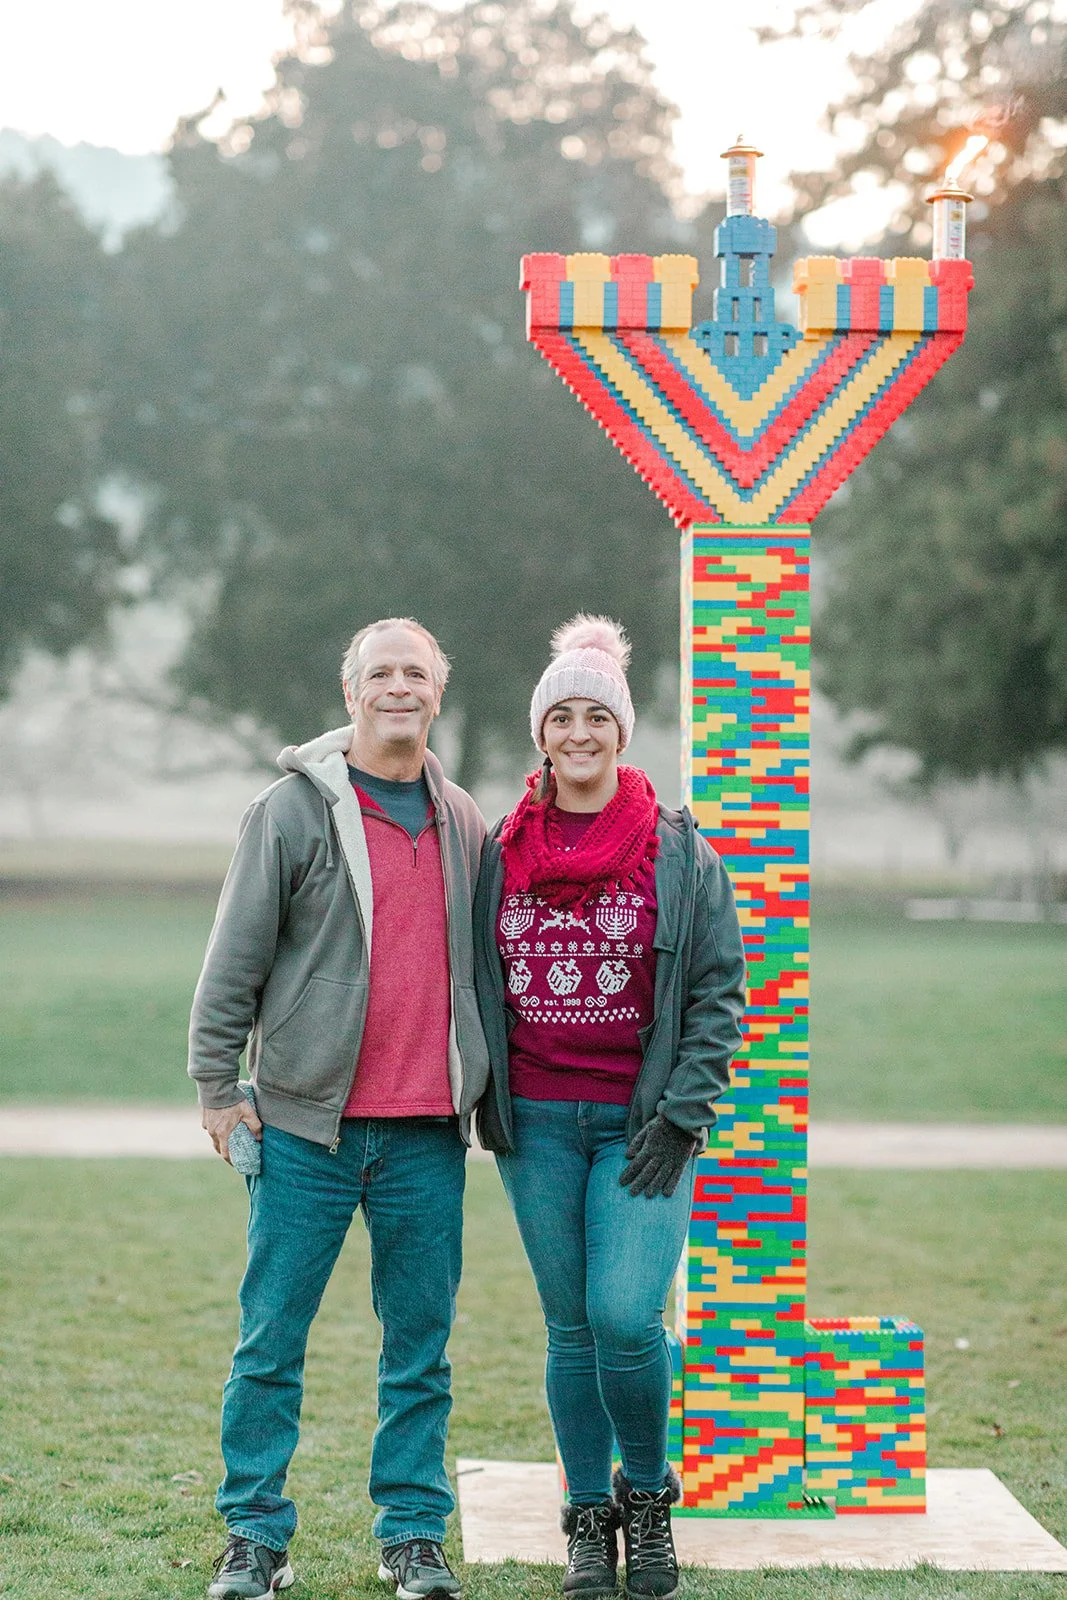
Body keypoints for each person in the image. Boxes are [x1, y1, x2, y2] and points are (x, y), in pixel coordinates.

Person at [188, 617, 489, 1600]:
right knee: (269, 1345)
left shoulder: (463, 820)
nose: (399, 686)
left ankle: (412, 1537)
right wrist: (217, 1086)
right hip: (303, 1131)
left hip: (425, 1137)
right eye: (380, 672)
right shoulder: (287, 813)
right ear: (351, 690)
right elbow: (232, 960)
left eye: (416, 672)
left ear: (436, 691)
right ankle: (254, 1539)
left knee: (419, 1356)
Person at [473, 616, 745, 1600]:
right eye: (562, 717)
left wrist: (680, 1115)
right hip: (536, 1124)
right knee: (570, 1327)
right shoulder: (500, 851)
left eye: (597, 716)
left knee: (625, 1315)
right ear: (540, 733)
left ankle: (647, 1496)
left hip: (640, 1129)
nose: (578, 732)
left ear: (621, 731)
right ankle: (587, 1519)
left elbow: (718, 992)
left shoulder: (678, 851)